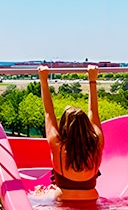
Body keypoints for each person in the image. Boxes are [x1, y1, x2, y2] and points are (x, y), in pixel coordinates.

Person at [38, 64, 104, 201]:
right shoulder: (97, 141)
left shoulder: (57, 144)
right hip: (91, 200)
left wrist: (43, 80)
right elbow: (94, 112)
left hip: (63, 201)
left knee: (38, 192)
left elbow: (48, 113)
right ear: (87, 125)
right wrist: (92, 80)